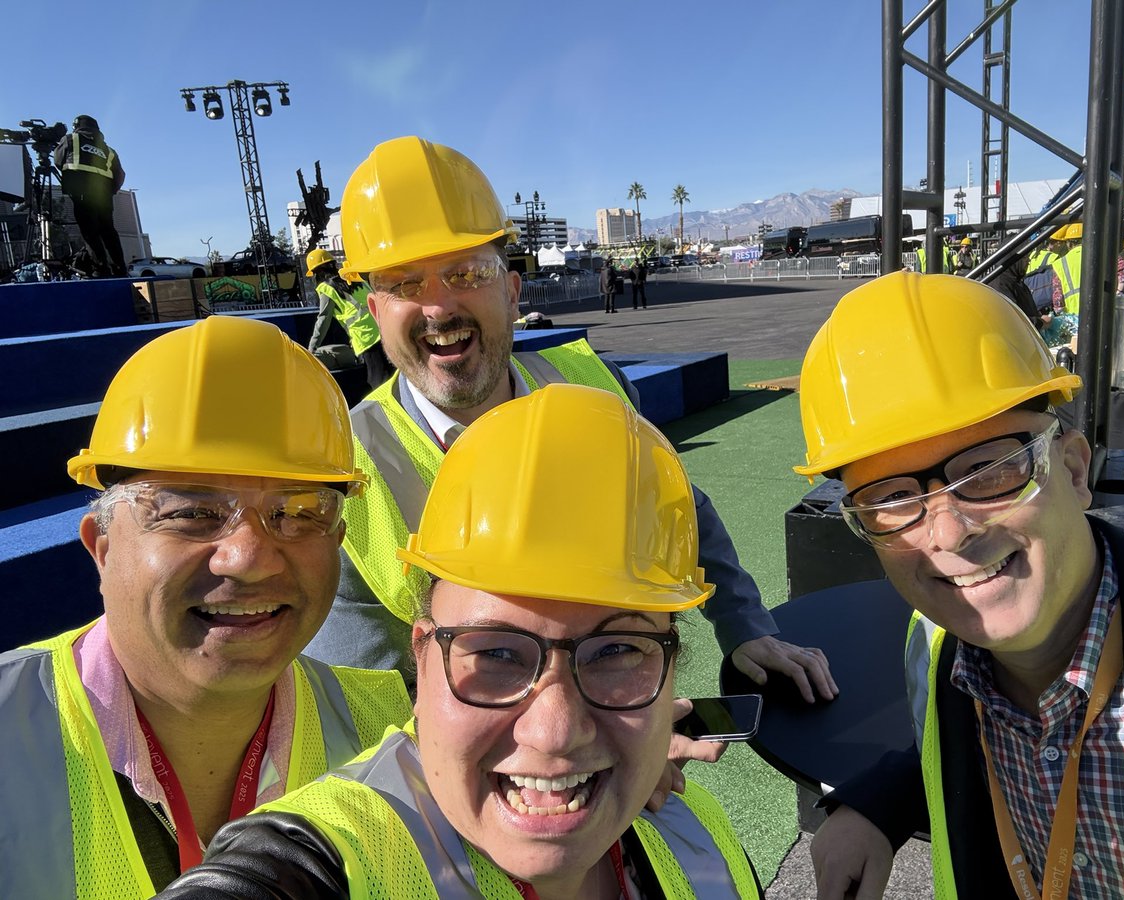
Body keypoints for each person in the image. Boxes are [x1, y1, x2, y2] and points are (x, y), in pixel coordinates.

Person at [157, 383, 764, 899]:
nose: (554, 732)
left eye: (617, 652)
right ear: (420, 656)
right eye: (497, 652)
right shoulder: (329, 860)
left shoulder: (701, 838)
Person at [303, 135, 836, 706]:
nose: (438, 307)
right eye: (405, 283)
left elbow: (678, 508)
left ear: (511, 293)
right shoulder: (343, 465)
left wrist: (744, 624)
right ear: (376, 312)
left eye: (466, 274)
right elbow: (364, 696)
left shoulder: (594, 385)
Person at [798, 272, 1124, 899]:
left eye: (987, 471)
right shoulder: (933, 645)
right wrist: (879, 802)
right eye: (891, 499)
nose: (949, 533)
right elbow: (970, 732)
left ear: (1070, 469)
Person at [0, 316, 411, 898]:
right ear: (103, 547)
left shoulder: (393, 737)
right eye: (192, 512)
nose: (249, 558)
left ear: (338, 544)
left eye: (297, 513)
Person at [305, 248, 393, 388]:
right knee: (392, 372)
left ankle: (386, 407)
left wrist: (312, 348)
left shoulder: (326, 288)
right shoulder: (352, 277)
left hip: (365, 336)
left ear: (317, 273)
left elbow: (323, 319)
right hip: (383, 328)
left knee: (377, 379)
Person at [53, 115, 127, 277]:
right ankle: (120, 268)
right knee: (108, 231)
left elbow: (58, 161)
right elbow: (120, 174)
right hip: (103, 196)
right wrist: (110, 190)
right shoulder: (109, 150)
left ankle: (100, 269)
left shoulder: (71, 139)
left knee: (90, 232)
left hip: (81, 193)